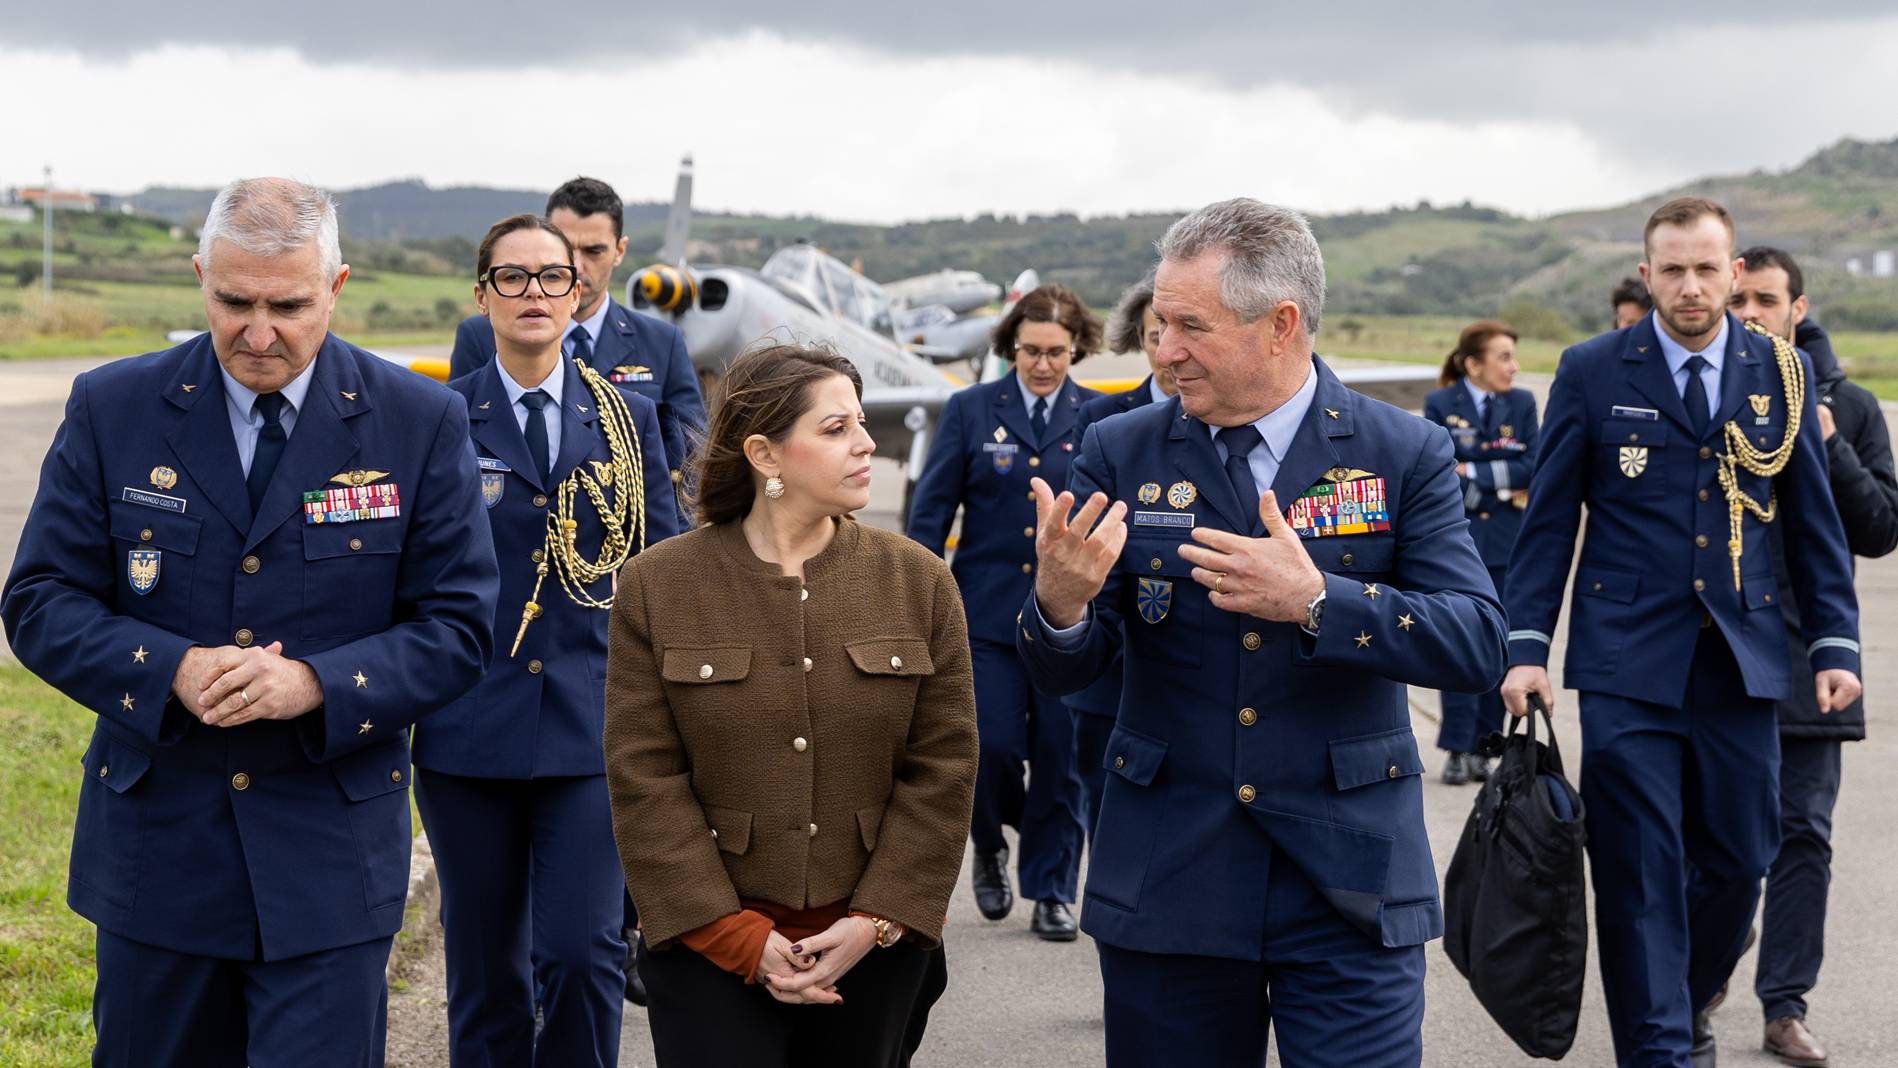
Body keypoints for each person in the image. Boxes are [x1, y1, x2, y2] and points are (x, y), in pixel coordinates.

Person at [0, 177, 499, 1067]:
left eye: (289, 305)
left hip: (327, 863)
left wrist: (316, 683)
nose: (259, 332)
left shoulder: (418, 422)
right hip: (159, 857)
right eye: (234, 302)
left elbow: (459, 626)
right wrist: (169, 670)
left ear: (336, 288)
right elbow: (40, 600)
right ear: (201, 277)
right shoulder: (114, 408)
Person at [1018, 198, 1507, 1067]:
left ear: (1281, 325)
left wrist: (1321, 601)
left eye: (1188, 326)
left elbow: (1473, 643)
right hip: (1172, 878)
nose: (1161, 349)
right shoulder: (1117, 449)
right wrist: (1061, 607)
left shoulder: (1404, 452)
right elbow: (1070, 673)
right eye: (1160, 322)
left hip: (1350, 884)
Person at [1500, 198, 1861, 1068]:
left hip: (1741, 662)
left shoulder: (1778, 370)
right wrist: (1525, 647)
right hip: (1629, 663)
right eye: (1673, 270)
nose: (1691, 286)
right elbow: (1548, 525)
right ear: (1646, 272)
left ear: (1735, 274)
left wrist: (1838, 644)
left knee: (1741, 860)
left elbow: (1811, 520)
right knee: (1637, 875)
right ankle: (1660, 1050)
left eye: (1707, 269)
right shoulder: (1591, 370)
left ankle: (1687, 997)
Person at [602, 343, 977, 1067]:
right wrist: (736, 938)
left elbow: (945, 769)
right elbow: (643, 777)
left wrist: (877, 919)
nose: (867, 443)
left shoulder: (919, 582)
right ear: (765, 456)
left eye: (861, 423)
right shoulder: (658, 586)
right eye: (836, 429)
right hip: (710, 949)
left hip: (875, 952)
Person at [412, 214, 680, 1066]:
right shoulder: (435, 418)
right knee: (487, 971)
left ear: (580, 290)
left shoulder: (628, 419)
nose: (534, 293)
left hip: (591, 730)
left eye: (552, 277)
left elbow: (661, 573)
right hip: (467, 730)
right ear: (482, 293)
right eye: (513, 277)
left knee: (579, 953)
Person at [1728, 246, 1897, 1067]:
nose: (1750, 313)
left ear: (1798, 308)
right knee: (1719, 840)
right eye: (1741, 299)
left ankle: (1784, 1006)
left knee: (1804, 836)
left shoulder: (1853, 407)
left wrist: (1827, 441)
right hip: (1722, 653)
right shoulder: (1707, 399)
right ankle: (1705, 967)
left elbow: (1879, 531)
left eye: (1766, 299)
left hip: (1810, 655)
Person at [906, 283, 1102, 941]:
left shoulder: (1099, 418)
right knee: (988, 747)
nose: (1042, 365)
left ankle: (1051, 890)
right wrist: (915, 600)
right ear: (1010, 348)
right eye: (1030, 351)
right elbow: (930, 512)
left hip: (1067, 620)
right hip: (983, 616)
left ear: (1077, 349)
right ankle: (987, 840)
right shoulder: (968, 410)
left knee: (1059, 756)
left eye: (1056, 352)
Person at [449, 176, 705, 519]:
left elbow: (688, 460)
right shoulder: (480, 336)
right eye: (569, 251)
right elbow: (462, 440)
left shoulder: (661, 343)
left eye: (594, 251)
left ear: (620, 251)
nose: (580, 266)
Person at [1066, 270, 1173, 842]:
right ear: (1140, 337)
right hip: (1111, 665)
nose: (1169, 349)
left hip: (1185, 669)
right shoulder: (1104, 423)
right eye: (1157, 334)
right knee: (1107, 817)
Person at [1422, 320, 1537, 785]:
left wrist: (1472, 472)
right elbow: (1437, 471)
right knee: (1458, 643)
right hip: (1460, 544)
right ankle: (1455, 746)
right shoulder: (1440, 404)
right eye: (1504, 357)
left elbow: (1533, 466)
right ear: (1473, 364)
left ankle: (1487, 747)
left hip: (1510, 546)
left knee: (1500, 646)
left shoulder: (1523, 403)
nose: (1514, 367)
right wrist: (1497, 482)